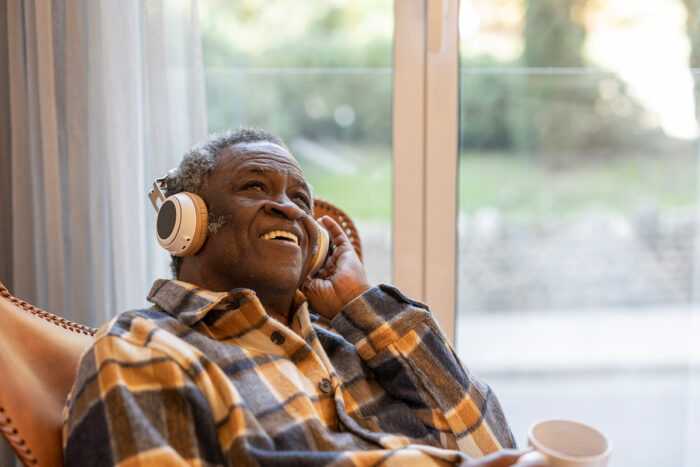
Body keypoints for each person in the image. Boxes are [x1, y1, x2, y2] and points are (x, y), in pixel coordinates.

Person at [62, 128, 544, 466]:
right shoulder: (143, 349)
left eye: (302, 200)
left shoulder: (355, 346)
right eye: (255, 185)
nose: (288, 208)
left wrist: (362, 301)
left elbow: (488, 443)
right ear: (186, 223)